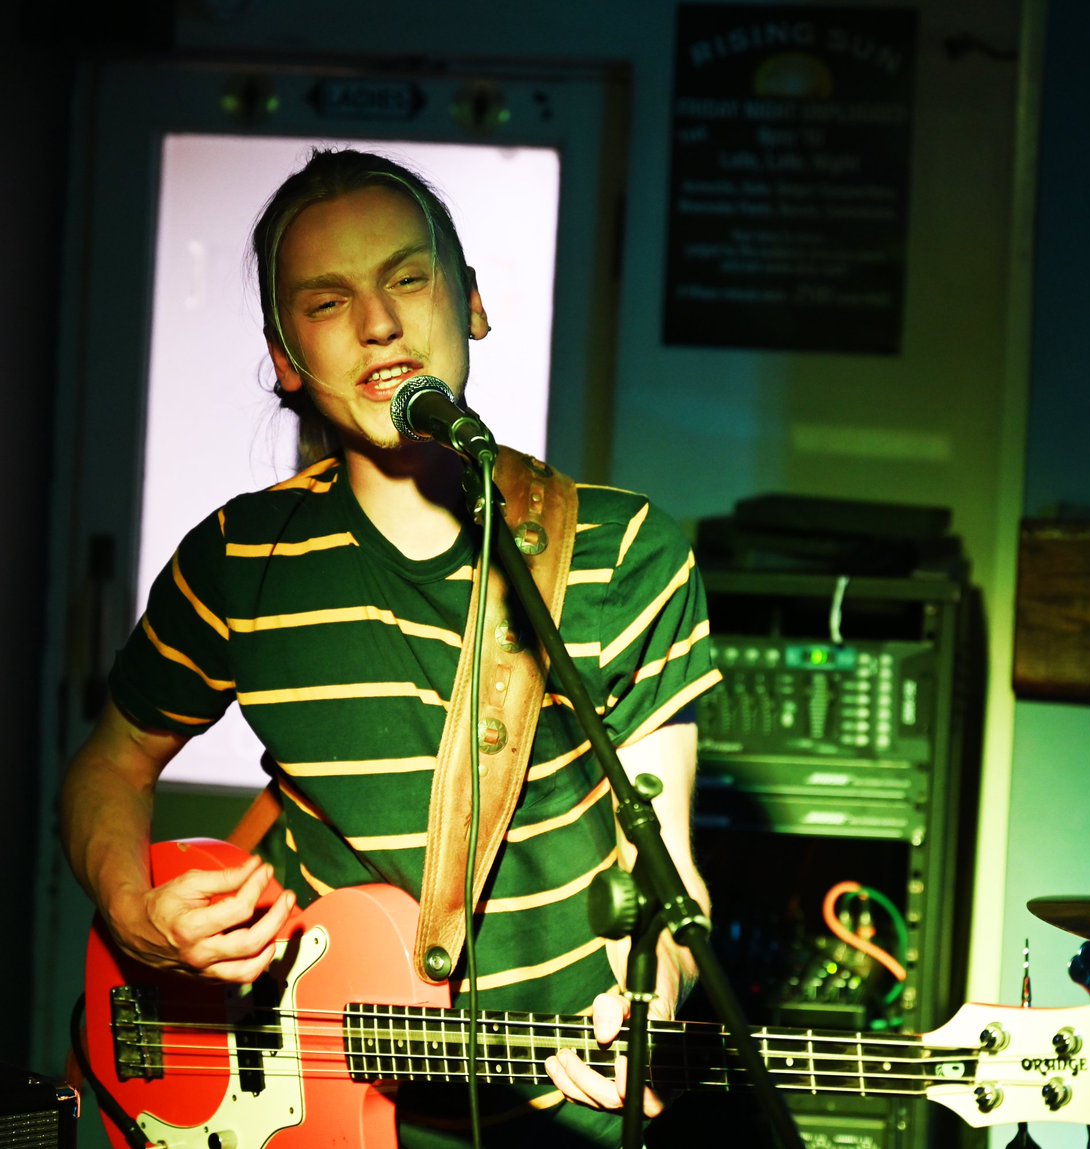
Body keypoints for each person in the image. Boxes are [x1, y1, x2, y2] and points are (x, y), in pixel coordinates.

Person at [59, 147, 721, 1147]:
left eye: (408, 279)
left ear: (473, 302)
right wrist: (135, 914)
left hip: (565, 1115)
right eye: (327, 302)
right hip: (310, 1107)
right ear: (286, 358)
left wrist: (656, 988)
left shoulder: (624, 551)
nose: (378, 323)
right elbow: (108, 765)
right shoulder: (239, 559)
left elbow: (666, 865)